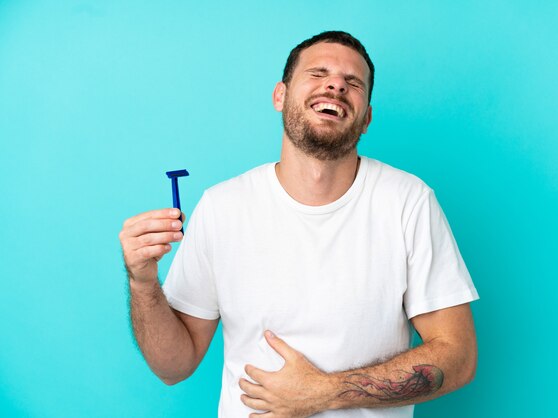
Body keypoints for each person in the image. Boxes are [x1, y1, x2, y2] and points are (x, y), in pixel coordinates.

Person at [119, 31, 479, 418]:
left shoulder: (408, 202)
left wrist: (327, 392)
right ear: (280, 96)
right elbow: (174, 366)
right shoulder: (222, 206)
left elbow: (458, 356)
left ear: (366, 118)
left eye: (352, 82)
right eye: (318, 72)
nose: (336, 84)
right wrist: (142, 283)